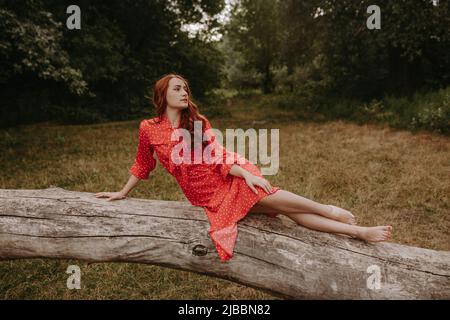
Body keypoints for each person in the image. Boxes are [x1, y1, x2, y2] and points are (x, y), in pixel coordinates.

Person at [95, 73, 392, 262]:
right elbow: (143, 164)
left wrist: (247, 174)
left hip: (229, 178)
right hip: (206, 197)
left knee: (275, 199)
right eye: (177, 88)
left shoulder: (197, 123)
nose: (185, 92)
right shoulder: (148, 128)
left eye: (186, 88)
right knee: (288, 210)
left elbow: (217, 158)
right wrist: (122, 192)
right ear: (163, 95)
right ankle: (343, 221)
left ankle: (350, 226)